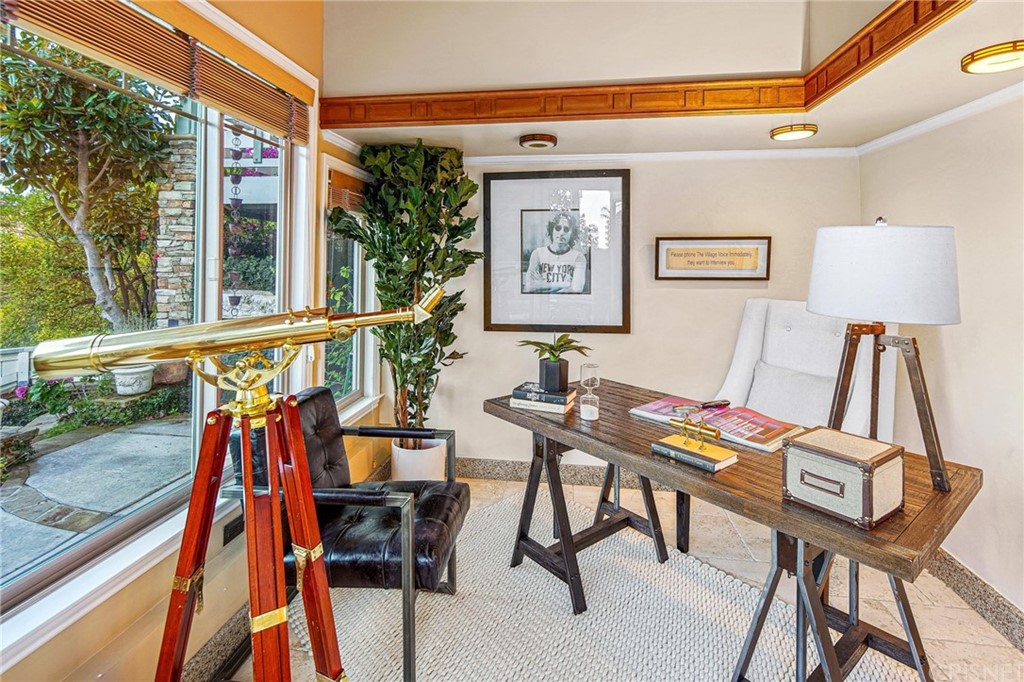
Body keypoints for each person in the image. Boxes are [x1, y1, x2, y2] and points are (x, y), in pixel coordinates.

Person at [523, 212, 588, 293]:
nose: (561, 233)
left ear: (572, 234)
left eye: (566, 229)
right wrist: (566, 284)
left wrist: (541, 285)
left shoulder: (578, 257)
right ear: (552, 230)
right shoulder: (537, 254)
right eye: (558, 228)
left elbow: (577, 290)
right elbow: (529, 286)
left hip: (568, 303)